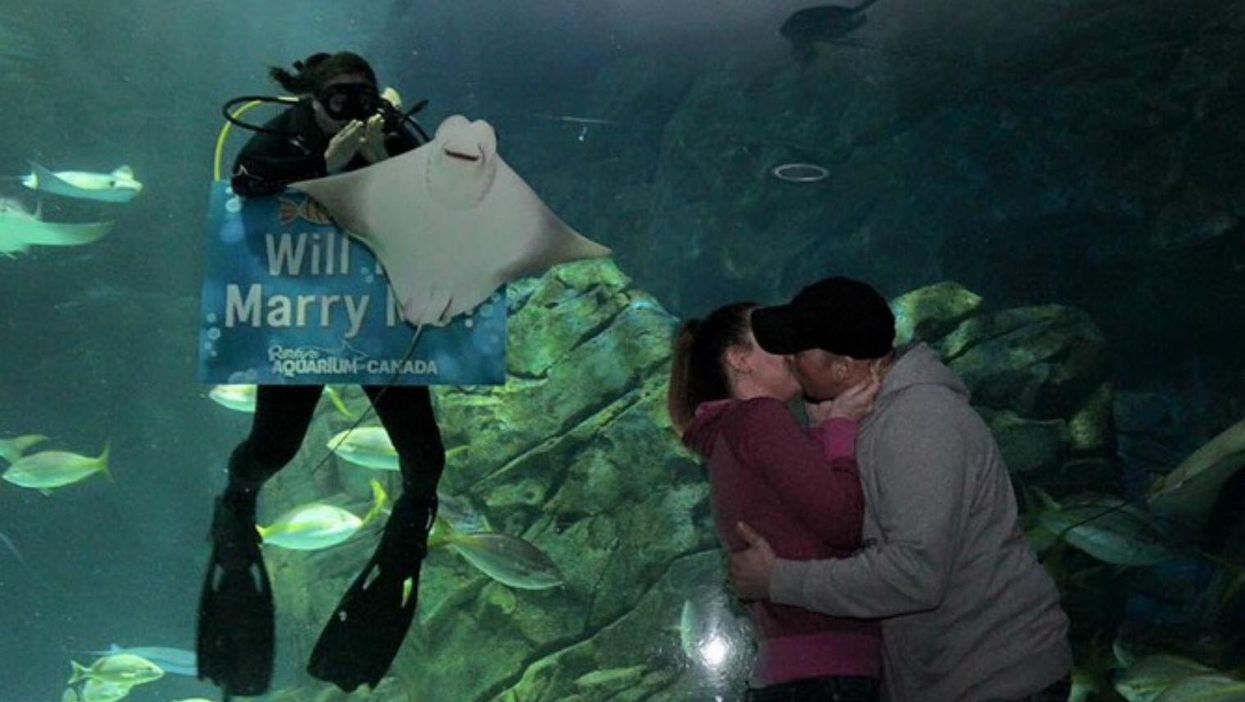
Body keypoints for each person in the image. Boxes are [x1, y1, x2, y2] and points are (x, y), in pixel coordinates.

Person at [197, 52, 443, 698]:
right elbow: (246, 181)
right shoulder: (289, 135)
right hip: (301, 324)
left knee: (425, 461)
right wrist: (324, 168)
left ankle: (391, 575)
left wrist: (382, 157)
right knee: (273, 449)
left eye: (362, 98)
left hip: (376, 324)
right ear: (310, 100)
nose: (352, 111)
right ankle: (236, 500)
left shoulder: (388, 135)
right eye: (338, 99)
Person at [728, 277, 1073, 702]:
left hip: (1000, 681)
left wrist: (779, 580)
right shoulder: (879, 419)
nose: (790, 362)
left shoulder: (918, 421)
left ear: (845, 367)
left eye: (800, 352)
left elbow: (915, 574)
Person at [667, 301, 884, 702]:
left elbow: (796, 523)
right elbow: (844, 523)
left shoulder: (727, 435)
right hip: (829, 672)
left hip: (789, 671)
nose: (792, 345)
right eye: (771, 333)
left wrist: (820, 434)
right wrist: (841, 428)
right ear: (740, 358)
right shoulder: (759, 418)